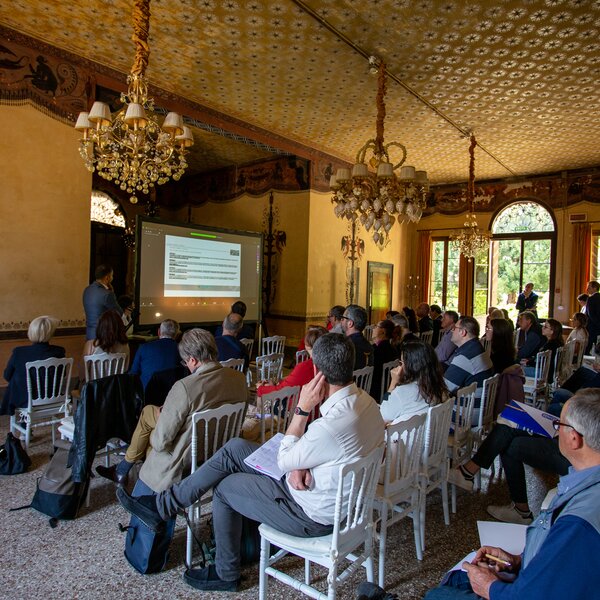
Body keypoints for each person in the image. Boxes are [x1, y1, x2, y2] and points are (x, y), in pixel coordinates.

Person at [116, 333, 385, 592]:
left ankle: (226, 572)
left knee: (224, 487)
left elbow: (286, 456)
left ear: (317, 372)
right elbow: (328, 449)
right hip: (335, 500)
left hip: (310, 515)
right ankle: (164, 505)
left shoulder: (328, 427)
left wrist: (302, 410)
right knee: (234, 448)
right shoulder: (369, 404)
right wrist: (302, 462)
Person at [431, 389, 600, 600]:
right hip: (531, 575)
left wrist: (489, 587)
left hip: (520, 592)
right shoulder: (584, 488)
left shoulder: (579, 524)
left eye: (559, 425)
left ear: (574, 438)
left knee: (437, 595)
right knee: (455, 579)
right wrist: (520, 561)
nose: (556, 430)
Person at [96, 328, 248, 488]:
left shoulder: (185, 387)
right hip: (219, 450)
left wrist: (159, 428)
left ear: (193, 360)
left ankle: (127, 474)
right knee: (151, 415)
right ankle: (124, 470)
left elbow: (161, 443)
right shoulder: (239, 378)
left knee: (150, 429)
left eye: (186, 362)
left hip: (187, 458)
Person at [0, 316, 65, 418]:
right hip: (51, 397)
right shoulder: (59, 351)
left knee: (15, 377)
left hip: (26, 400)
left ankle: (22, 423)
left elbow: (7, 376)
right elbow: (62, 375)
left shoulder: (19, 352)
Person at [381, 340, 448, 423]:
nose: (400, 366)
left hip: (401, 435)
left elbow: (382, 416)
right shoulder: (439, 386)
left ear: (411, 366)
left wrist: (393, 383)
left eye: (401, 363)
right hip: (428, 434)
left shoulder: (402, 392)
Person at [257, 325, 327, 396]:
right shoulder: (330, 363)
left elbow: (282, 391)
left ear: (308, 343)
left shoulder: (305, 366)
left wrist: (261, 388)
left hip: (299, 404)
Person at [444, 316, 493, 397]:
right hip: (479, 406)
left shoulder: (465, 357)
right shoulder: (478, 348)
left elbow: (444, 389)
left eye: (455, 328)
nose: (452, 330)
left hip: (465, 408)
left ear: (463, 332)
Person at [129, 319, 181, 389]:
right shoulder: (182, 350)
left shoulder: (144, 347)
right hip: (172, 393)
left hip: (146, 394)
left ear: (159, 332)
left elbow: (133, 373)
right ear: (177, 335)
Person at [82, 264, 123, 340]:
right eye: (112, 276)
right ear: (107, 277)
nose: (112, 278)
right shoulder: (107, 294)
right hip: (103, 335)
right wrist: (112, 293)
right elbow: (119, 313)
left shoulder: (87, 290)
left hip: (89, 334)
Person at [370, 319, 399, 402]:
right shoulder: (392, 348)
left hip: (376, 391)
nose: (374, 328)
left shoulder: (377, 350)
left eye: (376, 326)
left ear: (382, 331)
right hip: (388, 386)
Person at [341, 304, 373, 369]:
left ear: (350, 323)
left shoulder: (346, 346)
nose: (341, 320)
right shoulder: (368, 344)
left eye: (343, 318)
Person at [585, 280, 600, 352]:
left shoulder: (591, 299)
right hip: (598, 327)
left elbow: (590, 314)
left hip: (592, 327)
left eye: (589, 287)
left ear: (595, 288)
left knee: (589, 348)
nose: (587, 289)